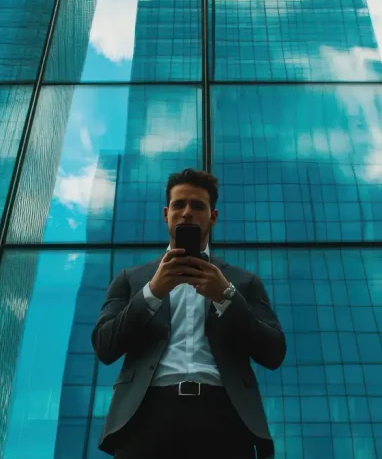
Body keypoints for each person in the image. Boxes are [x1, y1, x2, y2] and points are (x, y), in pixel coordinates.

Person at [92, 168, 286, 458]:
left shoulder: (244, 283)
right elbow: (105, 346)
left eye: (198, 206)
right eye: (179, 205)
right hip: (146, 416)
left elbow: (273, 352)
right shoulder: (131, 279)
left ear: (213, 216)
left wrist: (227, 297)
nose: (187, 212)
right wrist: (152, 292)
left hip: (224, 415)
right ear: (165, 213)